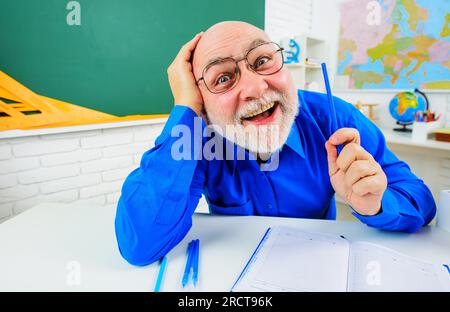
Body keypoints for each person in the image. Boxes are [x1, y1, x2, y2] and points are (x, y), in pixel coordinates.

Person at [115, 21, 436, 266]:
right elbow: (141, 244)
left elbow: (419, 198)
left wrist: (377, 203)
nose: (256, 88)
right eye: (223, 78)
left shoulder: (335, 118)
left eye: (262, 60)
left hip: (321, 265)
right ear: (203, 102)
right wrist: (185, 107)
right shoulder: (198, 134)